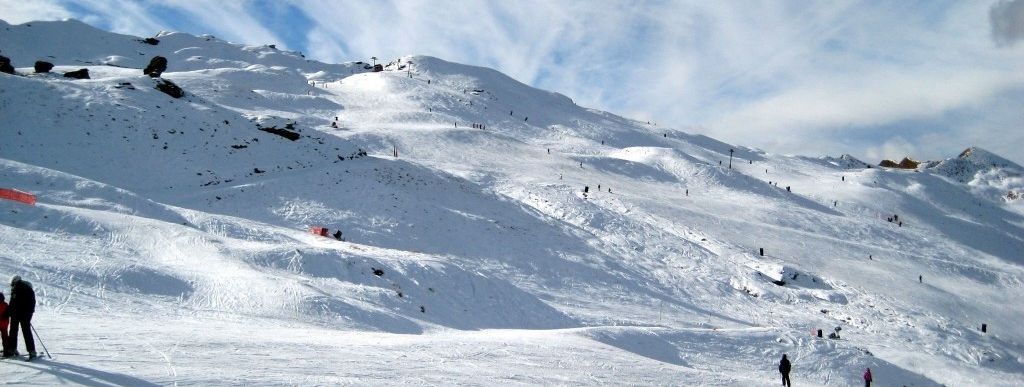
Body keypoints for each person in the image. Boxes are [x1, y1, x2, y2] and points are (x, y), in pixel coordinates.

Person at [4, 276, 35, 359]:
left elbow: (13, 303)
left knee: (13, 331)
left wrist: (8, 312)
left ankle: (12, 349)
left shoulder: (17, 288)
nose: (11, 285)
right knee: (26, 331)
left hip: (18, 314)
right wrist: (28, 313)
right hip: (25, 314)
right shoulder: (28, 288)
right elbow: (31, 303)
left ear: (14, 281)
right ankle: (32, 351)